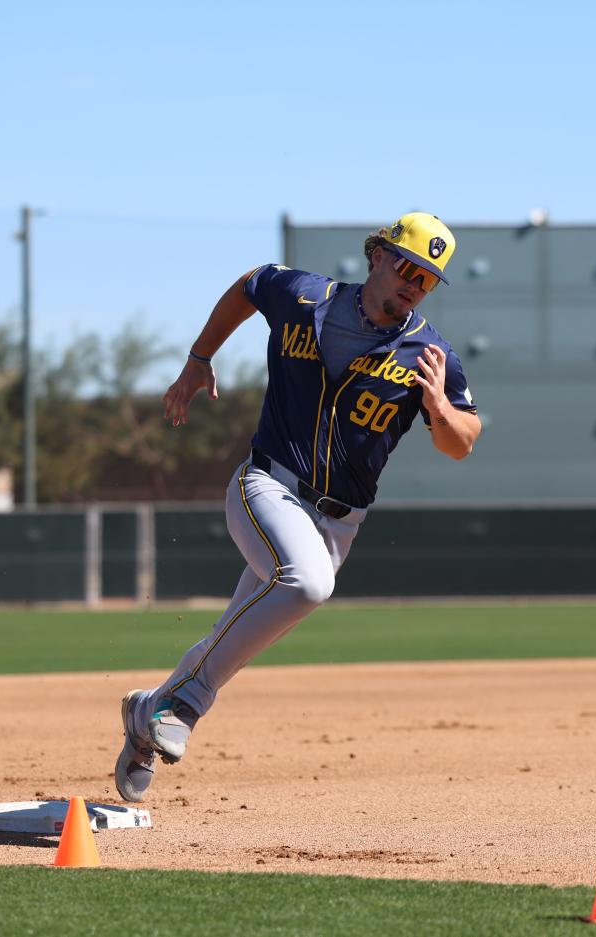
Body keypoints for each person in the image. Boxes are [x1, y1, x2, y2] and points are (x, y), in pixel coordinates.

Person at [114, 212, 481, 802]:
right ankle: (184, 705)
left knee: (242, 627)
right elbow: (250, 285)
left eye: (429, 278)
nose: (415, 283)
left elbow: (463, 441)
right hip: (266, 485)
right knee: (307, 585)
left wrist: (438, 406)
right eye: (408, 266)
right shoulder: (305, 296)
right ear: (379, 256)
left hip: (340, 523)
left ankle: (148, 712)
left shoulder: (431, 355)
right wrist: (199, 357)